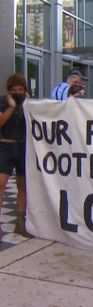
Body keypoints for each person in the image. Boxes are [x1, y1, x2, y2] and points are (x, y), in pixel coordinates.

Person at [0, 74, 31, 239]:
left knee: (23, 185)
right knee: (1, 184)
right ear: (8, 91)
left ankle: (20, 222)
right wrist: (11, 107)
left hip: (22, 147)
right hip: (5, 145)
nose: (17, 93)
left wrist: (30, 105)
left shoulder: (29, 104)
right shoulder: (3, 101)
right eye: (14, 90)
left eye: (20, 90)